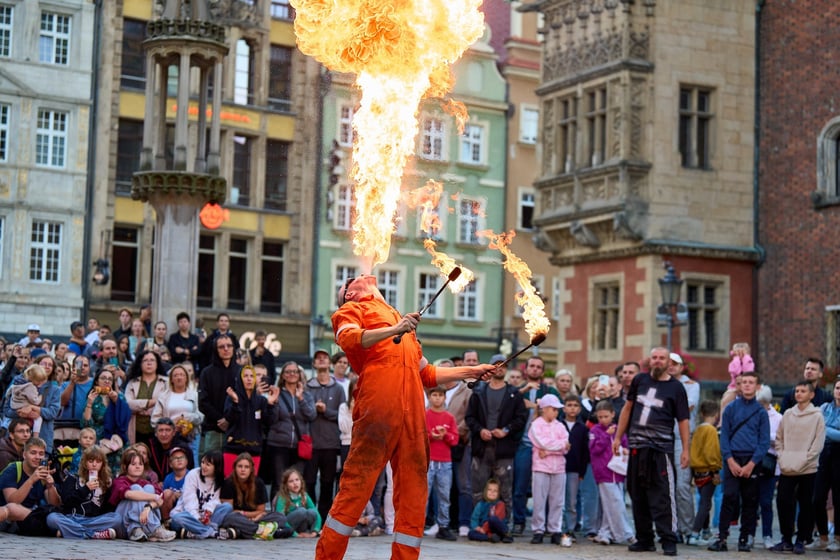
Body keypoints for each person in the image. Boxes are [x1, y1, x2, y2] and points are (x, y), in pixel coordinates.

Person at [315, 274, 495, 560]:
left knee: (414, 494)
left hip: (412, 416)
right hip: (379, 408)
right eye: (352, 279)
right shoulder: (352, 311)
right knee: (356, 489)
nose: (362, 275)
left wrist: (470, 372)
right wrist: (395, 328)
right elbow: (349, 338)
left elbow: (427, 374)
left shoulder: (401, 320)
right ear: (349, 294)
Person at [613, 346, 690, 557]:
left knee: (663, 496)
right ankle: (644, 538)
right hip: (638, 447)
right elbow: (628, 409)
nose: (657, 361)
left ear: (668, 363)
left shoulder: (676, 388)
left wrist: (685, 449)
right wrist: (618, 437)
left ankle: (668, 540)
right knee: (638, 494)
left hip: (661, 449)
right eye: (654, 357)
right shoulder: (640, 381)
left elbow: (683, 420)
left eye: (661, 358)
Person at [707, 371, 769, 553]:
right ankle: (722, 537)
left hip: (752, 460)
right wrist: (730, 460)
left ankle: (745, 538)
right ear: (739, 386)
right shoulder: (731, 409)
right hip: (732, 458)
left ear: (758, 387)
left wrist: (752, 464)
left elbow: (764, 441)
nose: (748, 385)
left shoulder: (761, 412)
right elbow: (724, 436)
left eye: (752, 382)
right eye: (745, 382)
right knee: (729, 497)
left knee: (750, 500)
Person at [466, 360, 528, 532]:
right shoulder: (479, 392)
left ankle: (504, 526)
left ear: (506, 370)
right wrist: (480, 430)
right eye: (496, 365)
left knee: (506, 490)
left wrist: (506, 430)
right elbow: (470, 418)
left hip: (504, 449)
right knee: (478, 489)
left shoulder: (513, 393)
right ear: (491, 368)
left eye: (503, 366)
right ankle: (477, 525)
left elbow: (521, 418)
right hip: (481, 448)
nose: (500, 369)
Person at [770, 381, 825, 554]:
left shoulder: (817, 416)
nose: (799, 394)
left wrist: (806, 459)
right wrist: (782, 456)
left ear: (811, 395)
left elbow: (818, 443)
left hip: (808, 468)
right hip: (788, 466)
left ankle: (801, 539)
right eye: (797, 391)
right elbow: (779, 439)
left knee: (806, 504)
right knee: (783, 502)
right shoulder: (787, 414)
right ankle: (786, 538)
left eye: (803, 391)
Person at [511, 355, 558, 536]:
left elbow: (556, 415)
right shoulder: (516, 389)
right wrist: (523, 393)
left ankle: (545, 525)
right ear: (526, 369)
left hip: (544, 447)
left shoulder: (550, 391)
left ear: (542, 370)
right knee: (519, 487)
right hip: (522, 444)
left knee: (545, 488)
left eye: (539, 367)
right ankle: (519, 522)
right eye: (532, 366)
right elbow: (508, 401)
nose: (535, 369)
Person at [46, 445, 122, 539]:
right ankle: (93, 534)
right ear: (85, 463)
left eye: (98, 462)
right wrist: (85, 489)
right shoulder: (72, 479)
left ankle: (72, 532)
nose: (94, 465)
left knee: (117, 518)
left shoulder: (105, 483)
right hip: (72, 518)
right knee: (52, 518)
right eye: (91, 461)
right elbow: (67, 501)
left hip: (93, 520)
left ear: (102, 464)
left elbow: (106, 509)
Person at [304, 347, 345, 521]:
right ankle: (313, 518)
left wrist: (326, 410)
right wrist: (314, 409)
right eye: (318, 358)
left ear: (330, 363)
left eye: (324, 358)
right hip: (311, 444)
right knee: (310, 482)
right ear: (313, 364)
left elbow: (342, 415)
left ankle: (325, 521)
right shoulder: (307, 387)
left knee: (328, 483)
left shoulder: (338, 389)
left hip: (331, 444)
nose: (321, 360)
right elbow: (304, 412)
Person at [266, 361, 316, 496]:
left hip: (299, 447)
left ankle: (294, 514)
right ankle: (276, 515)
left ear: (299, 375)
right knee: (279, 482)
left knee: (297, 483)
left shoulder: (306, 395)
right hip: (279, 445)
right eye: (288, 372)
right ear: (283, 376)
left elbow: (311, 415)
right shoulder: (277, 393)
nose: (292, 374)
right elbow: (271, 419)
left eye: (295, 371)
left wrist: (300, 399)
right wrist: (274, 403)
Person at [589, 400, 634, 546]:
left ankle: (605, 533)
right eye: (600, 417)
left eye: (606, 416)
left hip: (618, 472)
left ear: (613, 415)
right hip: (604, 473)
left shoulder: (618, 429)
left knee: (611, 504)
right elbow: (594, 450)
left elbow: (625, 444)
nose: (603, 420)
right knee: (616, 503)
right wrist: (604, 436)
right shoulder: (595, 431)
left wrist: (626, 450)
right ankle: (627, 533)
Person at [527, 393, 570, 545]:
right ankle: (538, 530)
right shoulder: (536, 425)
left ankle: (555, 530)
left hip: (558, 467)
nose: (556, 412)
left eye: (557, 409)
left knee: (557, 501)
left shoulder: (560, 426)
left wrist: (551, 450)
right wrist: (557, 447)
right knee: (539, 499)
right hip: (541, 467)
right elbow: (541, 442)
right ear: (544, 409)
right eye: (553, 409)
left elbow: (566, 445)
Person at [108, 447, 176, 542]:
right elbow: (129, 494)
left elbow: (160, 500)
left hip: (145, 521)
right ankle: (140, 529)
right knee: (136, 489)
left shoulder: (146, 482)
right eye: (133, 464)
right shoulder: (119, 481)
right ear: (125, 467)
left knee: (149, 488)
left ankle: (147, 530)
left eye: (140, 464)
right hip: (123, 524)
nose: (138, 466)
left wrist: (147, 508)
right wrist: (154, 497)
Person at [0, 437, 61, 536]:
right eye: (33, 453)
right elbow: (12, 501)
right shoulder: (13, 470)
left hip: (29, 518)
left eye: (41, 454)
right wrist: (31, 480)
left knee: (51, 516)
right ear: (24, 454)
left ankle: (48, 529)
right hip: (8, 519)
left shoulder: (43, 473)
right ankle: (51, 531)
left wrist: (50, 486)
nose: (37, 457)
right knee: (12, 508)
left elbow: (55, 505)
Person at [219, 452, 286, 539]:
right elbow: (230, 511)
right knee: (231, 518)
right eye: (240, 466)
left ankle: (244, 532)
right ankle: (263, 531)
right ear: (235, 468)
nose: (243, 470)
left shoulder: (258, 483)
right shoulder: (228, 483)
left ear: (251, 469)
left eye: (246, 467)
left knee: (281, 518)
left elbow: (261, 511)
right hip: (238, 519)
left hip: (255, 519)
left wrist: (247, 515)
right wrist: (245, 516)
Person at [168, 450, 234, 539]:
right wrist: (198, 518)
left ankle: (196, 531)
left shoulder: (219, 480)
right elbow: (189, 502)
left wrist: (208, 512)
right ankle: (211, 532)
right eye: (202, 462)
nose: (204, 466)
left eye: (208, 465)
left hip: (206, 518)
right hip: (188, 515)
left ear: (216, 467)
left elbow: (215, 500)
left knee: (227, 507)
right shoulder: (193, 474)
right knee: (176, 518)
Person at [670, 352, 699, 542]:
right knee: (667, 487)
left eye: (675, 364)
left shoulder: (692, 385)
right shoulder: (660, 385)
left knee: (682, 486)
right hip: (664, 437)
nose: (671, 367)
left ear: (682, 367)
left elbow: (685, 407)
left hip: (682, 438)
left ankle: (687, 529)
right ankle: (672, 528)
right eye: (669, 364)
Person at [151, 363, 204, 467]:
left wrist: (188, 417)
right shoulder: (163, 397)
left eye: (182, 375)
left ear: (186, 378)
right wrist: (171, 423)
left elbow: (201, 416)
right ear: (171, 379)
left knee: (193, 463)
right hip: (169, 437)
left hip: (191, 435)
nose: (179, 377)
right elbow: (154, 420)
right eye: (175, 375)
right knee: (173, 463)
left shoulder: (194, 395)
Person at [80, 367, 131, 473]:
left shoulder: (119, 396)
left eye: (110, 379)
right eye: (103, 378)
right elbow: (86, 425)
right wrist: (89, 404)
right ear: (97, 382)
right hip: (98, 442)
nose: (107, 381)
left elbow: (125, 420)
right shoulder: (93, 398)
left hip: (116, 441)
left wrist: (116, 401)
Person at [686, 400, 722, 547]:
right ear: (717, 414)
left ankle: (705, 531)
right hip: (708, 470)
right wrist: (715, 470)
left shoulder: (698, 429)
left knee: (703, 501)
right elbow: (711, 452)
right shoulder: (711, 430)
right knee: (706, 504)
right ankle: (695, 533)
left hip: (696, 470)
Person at [425, 385, 458, 541]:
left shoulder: (449, 418)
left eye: (440, 395)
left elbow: (455, 439)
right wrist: (430, 436)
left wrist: (445, 436)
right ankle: (418, 524)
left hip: (445, 462)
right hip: (428, 461)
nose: (437, 398)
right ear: (430, 397)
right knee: (424, 494)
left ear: (445, 398)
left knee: (444, 495)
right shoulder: (425, 415)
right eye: (434, 395)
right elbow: (420, 436)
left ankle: (443, 526)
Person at [198, 334, 238, 454]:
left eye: (229, 345)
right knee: (210, 469)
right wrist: (221, 419)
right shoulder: (206, 372)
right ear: (216, 350)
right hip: (212, 429)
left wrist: (229, 419)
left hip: (236, 430)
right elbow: (203, 402)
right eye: (221, 347)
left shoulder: (241, 371)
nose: (226, 349)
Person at [124, 349, 169, 446]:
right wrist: (152, 402)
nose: (149, 363)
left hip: (159, 430)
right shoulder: (132, 383)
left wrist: (139, 408)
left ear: (157, 364)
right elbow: (128, 404)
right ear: (140, 364)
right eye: (145, 360)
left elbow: (167, 403)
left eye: (152, 360)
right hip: (136, 430)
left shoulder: (167, 382)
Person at [559, 394, 588, 544]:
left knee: (571, 502)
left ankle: (570, 529)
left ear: (579, 409)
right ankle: (556, 528)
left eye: (575, 405)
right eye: (569, 405)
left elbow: (585, 452)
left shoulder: (582, 428)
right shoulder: (558, 425)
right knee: (557, 500)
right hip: (557, 468)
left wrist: (582, 472)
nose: (572, 408)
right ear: (563, 408)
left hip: (574, 470)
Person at [757, 384, 781, 550]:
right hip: (751, 461)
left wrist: (766, 437)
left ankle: (767, 535)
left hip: (770, 464)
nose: (761, 406)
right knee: (750, 502)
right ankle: (748, 534)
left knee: (766, 502)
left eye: (763, 403)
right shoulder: (753, 413)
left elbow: (781, 439)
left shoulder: (778, 418)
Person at [273, 466, 321, 537]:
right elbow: (280, 518)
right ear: (286, 485)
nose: (295, 483)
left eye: (297, 480)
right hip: (287, 527)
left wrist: (314, 532)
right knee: (301, 511)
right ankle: (294, 533)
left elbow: (317, 514)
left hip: (302, 527)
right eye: (291, 481)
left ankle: (308, 532)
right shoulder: (282, 497)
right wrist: (295, 535)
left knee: (311, 512)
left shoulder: (304, 495)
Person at [9, 365, 48, 438]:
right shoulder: (31, 387)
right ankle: (36, 436)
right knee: (38, 419)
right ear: (33, 379)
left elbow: (8, 392)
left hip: (14, 405)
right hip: (23, 407)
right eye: (38, 381)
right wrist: (40, 397)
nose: (40, 383)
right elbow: (34, 401)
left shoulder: (17, 383)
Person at [467, 478, 511, 543]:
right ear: (485, 491)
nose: (492, 492)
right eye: (489, 490)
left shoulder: (500, 504)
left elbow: (498, 517)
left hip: (498, 528)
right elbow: (474, 519)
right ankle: (490, 538)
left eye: (495, 491)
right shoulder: (480, 504)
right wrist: (476, 527)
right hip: (485, 532)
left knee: (493, 519)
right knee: (471, 534)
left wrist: (484, 528)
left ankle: (506, 535)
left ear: (498, 493)